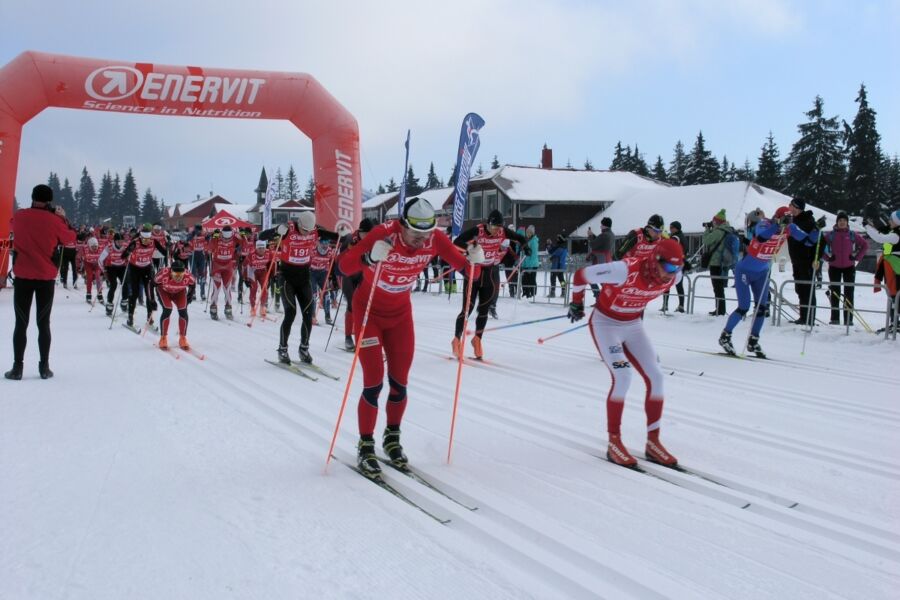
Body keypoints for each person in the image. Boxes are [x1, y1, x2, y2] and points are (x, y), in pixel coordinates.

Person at [337, 197, 485, 478]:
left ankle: (392, 438)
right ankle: (365, 445)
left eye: (427, 235)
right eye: (416, 235)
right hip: (368, 314)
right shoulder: (383, 234)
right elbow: (344, 267)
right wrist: (368, 257)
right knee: (373, 381)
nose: (422, 242)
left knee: (400, 382)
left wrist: (475, 263)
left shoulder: (435, 240)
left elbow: (468, 271)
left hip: (400, 316)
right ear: (403, 226)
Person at [566, 238, 685, 467]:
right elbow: (581, 275)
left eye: (678, 268)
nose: (672, 274)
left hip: (632, 326)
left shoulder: (674, 276)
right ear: (655, 260)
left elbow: (670, 275)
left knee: (657, 377)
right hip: (606, 325)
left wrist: (674, 271)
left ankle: (653, 441)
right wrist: (577, 303)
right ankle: (614, 441)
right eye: (669, 267)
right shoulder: (623, 270)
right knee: (623, 376)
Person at [718, 207, 818, 358]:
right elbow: (761, 237)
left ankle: (753, 340)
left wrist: (817, 229)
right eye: (785, 219)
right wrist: (777, 225)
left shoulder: (790, 228)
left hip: (762, 272)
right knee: (744, 307)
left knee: (762, 308)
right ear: (777, 217)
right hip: (744, 270)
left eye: (789, 219)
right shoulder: (764, 224)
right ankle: (725, 336)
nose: (788, 222)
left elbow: (809, 242)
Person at [5, 184, 77, 380]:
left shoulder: (20, 216)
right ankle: (44, 367)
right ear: (50, 200)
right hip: (45, 278)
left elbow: (12, 225)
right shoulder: (55, 221)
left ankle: (17, 368)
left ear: (32, 196)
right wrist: (62, 217)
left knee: (21, 323)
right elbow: (71, 237)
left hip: (23, 277)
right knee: (43, 323)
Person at [260, 212, 339, 364]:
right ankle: (282, 349)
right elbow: (262, 236)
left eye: (309, 231)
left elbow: (336, 236)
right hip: (287, 277)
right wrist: (276, 231)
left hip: (304, 277)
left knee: (308, 315)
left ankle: (304, 349)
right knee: (290, 313)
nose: (306, 234)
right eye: (304, 231)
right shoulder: (288, 229)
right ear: (299, 224)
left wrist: (343, 233)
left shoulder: (315, 231)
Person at [450, 209, 528, 359]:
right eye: (494, 227)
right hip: (474, 272)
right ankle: (456, 340)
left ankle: (477, 339)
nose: (497, 230)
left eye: (499, 227)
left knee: (484, 308)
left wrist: (525, 246)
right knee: (467, 308)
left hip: (490, 273)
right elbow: (457, 241)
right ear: (488, 224)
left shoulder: (503, 232)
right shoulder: (478, 230)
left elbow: (519, 237)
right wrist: (470, 249)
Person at [822, 211, 868, 325]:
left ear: (847, 222)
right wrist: (827, 258)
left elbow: (865, 245)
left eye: (844, 221)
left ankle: (848, 319)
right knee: (835, 293)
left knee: (849, 293)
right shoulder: (831, 235)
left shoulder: (852, 234)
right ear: (837, 222)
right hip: (834, 267)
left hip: (849, 267)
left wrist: (857, 257)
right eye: (840, 221)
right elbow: (820, 246)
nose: (842, 223)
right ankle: (835, 319)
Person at [338, 218, 375, 351]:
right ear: (360, 232)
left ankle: (363, 336)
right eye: (365, 234)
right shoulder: (350, 240)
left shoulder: (375, 240)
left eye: (370, 234)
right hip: (349, 276)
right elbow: (339, 260)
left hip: (364, 275)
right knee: (351, 305)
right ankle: (348, 337)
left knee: (366, 306)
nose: (367, 237)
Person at [787, 197, 824, 325]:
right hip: (796, 260)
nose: (789, 207)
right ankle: (803, 317)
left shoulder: (808, 221)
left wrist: (817, 258)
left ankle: (809, 318)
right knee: (800, 289)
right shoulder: (794, 220)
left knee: (808, 289)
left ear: (797, 207)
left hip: (807, 261)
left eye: (791, 205)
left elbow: (818, 241)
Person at [122, 224, 167, 329]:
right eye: (144, 239)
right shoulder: (135, 242)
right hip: (135, 269)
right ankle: (130, 316)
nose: (146, 241)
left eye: (148, 239)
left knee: (149, 293)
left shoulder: (154, 241)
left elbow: (164, 251)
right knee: (135, 293)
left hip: (147, 268)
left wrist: (168, 247)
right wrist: (128, 252)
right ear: (141, 237)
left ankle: (149, 317)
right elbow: (123, 255)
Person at [154, 260, 196, 350]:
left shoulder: (188, 276)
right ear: (171, 272)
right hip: (164, 291)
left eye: (180, 275)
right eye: (176, 275)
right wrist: (151, 300)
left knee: (183, 311)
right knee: (167, 309)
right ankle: (163, 337)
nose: (178, 278)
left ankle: (183, 337)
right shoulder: (163, 274)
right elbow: (153, 283)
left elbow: (193, 284)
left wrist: (190, 294)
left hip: (179, 292)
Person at [701, 210, 737, 316]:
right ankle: (720, 308)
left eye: (714, 221)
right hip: (724, 261)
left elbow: (706, 241)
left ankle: (720, 310)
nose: (713, 223)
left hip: (716, 262)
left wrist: (707, 230)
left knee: (717, 287)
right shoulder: (728, 230)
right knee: (719, 287)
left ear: (717, 221)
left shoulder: (719, 231)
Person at [206, 225, 243, 321]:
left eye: (229, 238)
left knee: (227, 288)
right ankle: (213, 307)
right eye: (225, 238)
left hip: (228, 266)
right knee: (216, 288)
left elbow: (244, 245)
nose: (226, 240)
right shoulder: (217, 237)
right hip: (217, 265)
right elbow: (209, 248)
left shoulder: (235, 236)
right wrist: (212, 237)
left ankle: (228, 308)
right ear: (222, 234)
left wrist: (243, 237)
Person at [98, 233, 129, 316]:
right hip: (111, 267)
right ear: (115, 241)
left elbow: (132, 255)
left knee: (125, 283)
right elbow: (100, 259)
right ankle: (109, 304)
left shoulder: (125, 246)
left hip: (122, 267)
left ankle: (124, 302)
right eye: (118, 241)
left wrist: (129, 258)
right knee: (113, 285)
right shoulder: (109, 247)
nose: (120, 243)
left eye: (122, 241)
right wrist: (103, 270)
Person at [661, 221, 688, 313]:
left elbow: (670, 246)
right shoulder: (683, 237)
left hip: (673, 263)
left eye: (672, 227)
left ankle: (665, 305)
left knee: (667, 284)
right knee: (679, 285)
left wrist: (665, 238)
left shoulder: (676, 237)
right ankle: (681, 305)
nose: (670, 229)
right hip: (681, 262)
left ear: (676, 228)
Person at [246, 240, 275, 317]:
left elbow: (273, 263)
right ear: (256, 248)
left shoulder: (269, 253)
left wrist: (273, 274)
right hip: (253, 272)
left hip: (263, 271)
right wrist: (246, 278)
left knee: (265, 289)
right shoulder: (251, 255)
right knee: (254, 288)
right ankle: (252, 307)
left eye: (263, 248)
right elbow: (246, 266)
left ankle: (262, 307)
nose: (261, 250)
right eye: (259, 248)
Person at [588, 217, 615, 298]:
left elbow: (593, 245)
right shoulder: (611, 234)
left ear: (604, 225)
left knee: (592, 279)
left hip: (600, 261)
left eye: (601, 225)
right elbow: (599, 241)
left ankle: (600, 298)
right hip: (607, 259)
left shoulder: (604, 235)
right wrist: (593, 235)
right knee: (603, 281)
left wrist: (590, 236)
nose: (600, 227)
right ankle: (607, 299)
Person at [310, 238, 336, 325]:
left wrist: (332, 276)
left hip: (323, 273)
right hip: (312, 272)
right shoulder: (313, 250)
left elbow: (333, 262)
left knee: (326, 294)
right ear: (319, 243)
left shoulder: (330, 251)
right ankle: (312, 316)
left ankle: (327, 316)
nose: (325, 246)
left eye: (327, 243)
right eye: (323, 243)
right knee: (313, 294)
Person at [187, 224, 208, 301]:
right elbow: (187, 240)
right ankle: (193, 293)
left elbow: (209, 239)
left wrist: (209, 236)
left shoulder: (203, 234)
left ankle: (202, 293)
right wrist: (192, 235)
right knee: (193, 274)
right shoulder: (191, 234)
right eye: (197, 230)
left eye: (200, 230)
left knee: (202, 274)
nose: (198, 231)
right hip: (193, 255)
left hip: (201, 255)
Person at [81, 236, 104, 304]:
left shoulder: (100, 249)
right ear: (89, 246)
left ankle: (99, 293)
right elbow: (79, 257)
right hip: (88, 263)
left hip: (97, 263)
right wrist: (79, 267)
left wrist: (104, 269)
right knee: (89, 277)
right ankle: (88, 294)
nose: (94, 248)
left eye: (95, 246)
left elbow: (105, 258)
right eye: (93, 246)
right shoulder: (85, 249)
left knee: (98, 276)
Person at [521, 224, 540, 298]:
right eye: (526, 232)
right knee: (525, 279)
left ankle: (533, 293)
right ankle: (525, 292)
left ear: (532, 233)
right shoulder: (529, 241)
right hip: (526, 264)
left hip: (532, 265)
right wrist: (523, 265)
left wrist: (531, 267)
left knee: (531, 279)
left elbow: (534, 255)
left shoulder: (534, 241)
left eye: (528, 232)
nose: (527, 234)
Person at [548, 234, 568, 298]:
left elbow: (552, 252)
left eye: (558, 238)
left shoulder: (560, 247)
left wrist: (549, 245)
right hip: (561, 266)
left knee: (553, 279)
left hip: (556, 266)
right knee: (561, 279)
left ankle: (553, 292)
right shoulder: (564, 247)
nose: (557, 239)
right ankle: (563, 291)